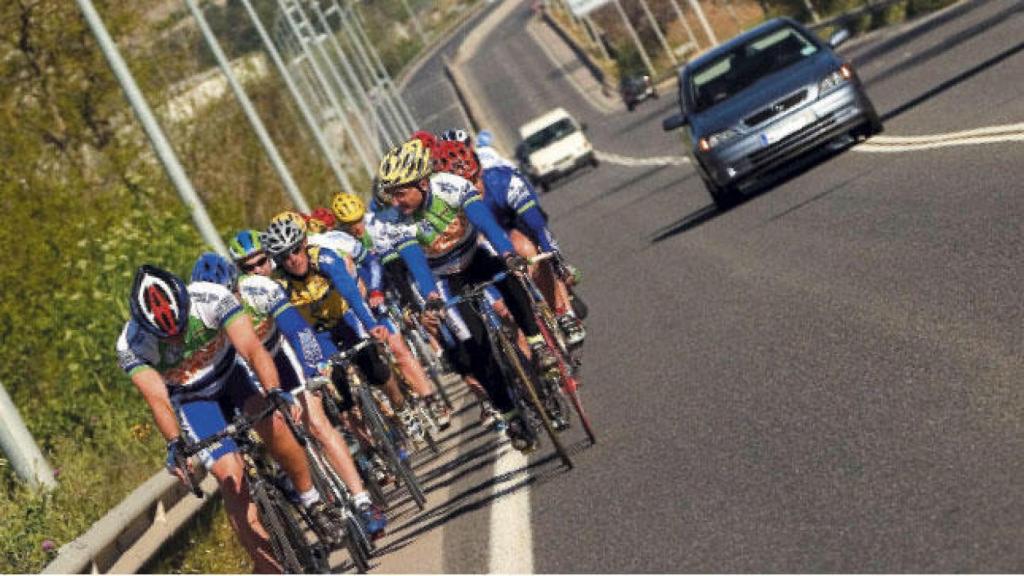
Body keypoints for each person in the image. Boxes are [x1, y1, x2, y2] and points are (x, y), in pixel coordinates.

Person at [116, 264, 339, 573]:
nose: (177, 341)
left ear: (185, 302)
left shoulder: (211, 298)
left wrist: (274, 390)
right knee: (229, 475)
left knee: (273, 421)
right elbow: (158, 399)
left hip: (233, 375)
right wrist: (174, 444)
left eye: (181, 329)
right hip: (192, 399)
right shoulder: (131, 345)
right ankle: (270, 567)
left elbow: (251, 348)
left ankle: (311, 498)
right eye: (166, 337)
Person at [374, 137, 558, 451]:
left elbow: (488, 225)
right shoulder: (397, 223)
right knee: (477, 349)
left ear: (422, 183)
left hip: (477, 255)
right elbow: (417, 265)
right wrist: (431, 298)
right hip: (445, 278)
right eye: (391, 195)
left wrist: (508, 253)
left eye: (400, 193)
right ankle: (510, 413)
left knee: (510, 278)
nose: (396, 202)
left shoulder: (451, 187)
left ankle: (538, 344)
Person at [203, 243, 387, 536]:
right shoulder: (205, 319)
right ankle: (311, 499)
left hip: (281, 354)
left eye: (233, 293)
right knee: (275, 433)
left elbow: (298, 330)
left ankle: (362, 500)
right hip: (247, 371)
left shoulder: (260, 289)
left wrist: (314, 368)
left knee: (316, 423)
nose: (231, 303)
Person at [332, 192, 503, 428]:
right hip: (387, 290)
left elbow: (397, 263)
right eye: (350, 225)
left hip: (417, 273)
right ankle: (480, 396)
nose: (357, 228)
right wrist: (387, 297)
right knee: (444, 336)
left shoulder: (380, 224)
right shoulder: (342, 242)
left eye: (359, 221)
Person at [260, 218, 431, 450]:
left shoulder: (325, 258)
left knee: (376, 370)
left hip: (347, 318)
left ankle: (402, 408)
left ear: (304, 243)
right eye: (283, 257)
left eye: (295, 250)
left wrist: (371, 324)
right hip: (319, 334)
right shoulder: (278, 284)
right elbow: (290, 326)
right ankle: (371, 449)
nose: (292, 260)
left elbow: (351, 293)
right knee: (339, 390)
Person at [434, 133, 586, 347]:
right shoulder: (444, 208)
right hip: (479, 244)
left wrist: (554, 255)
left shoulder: (502, 179)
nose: (473, 189)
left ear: (481, 169)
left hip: (512, 227)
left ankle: (561, 311)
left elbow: (536, 222)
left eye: (475, 180)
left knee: (525, 247)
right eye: (464, 186)